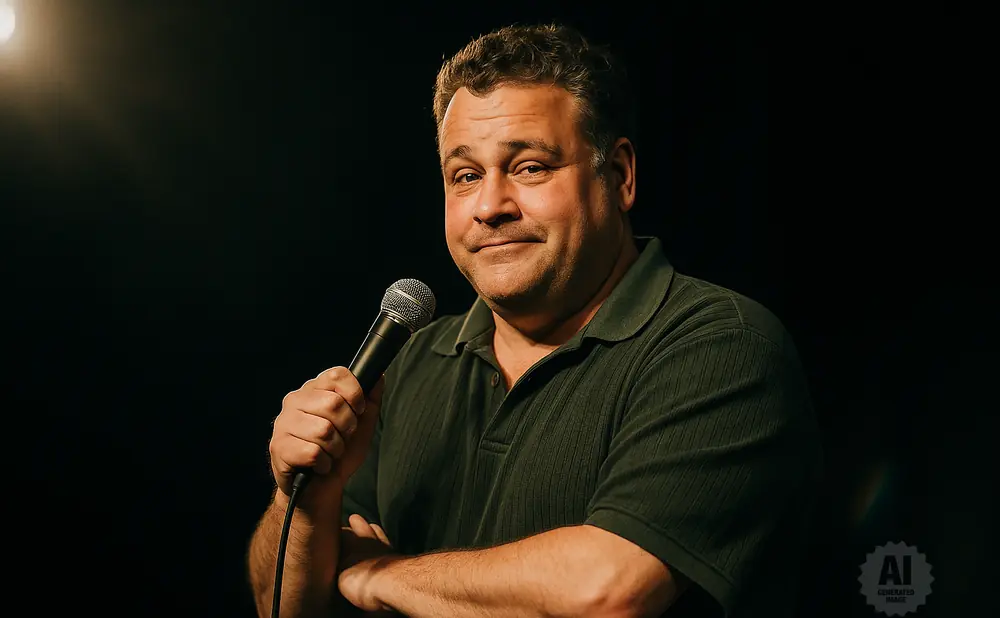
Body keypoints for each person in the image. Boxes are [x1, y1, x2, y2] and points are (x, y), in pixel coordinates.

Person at [248, 23, 822, 618]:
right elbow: (280, 607)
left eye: (530, 166)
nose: (491, 206)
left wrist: (376, 575)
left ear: (620, 176)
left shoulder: (721, 345)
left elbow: (606, 592)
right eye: (465, 176)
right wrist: (307, 500)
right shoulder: (412, 360)